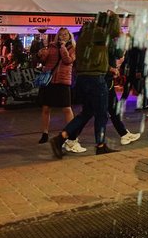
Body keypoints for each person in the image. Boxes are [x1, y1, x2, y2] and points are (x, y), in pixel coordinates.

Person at [49, 10, 121, 158]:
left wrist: (108, 68)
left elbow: (89, 58)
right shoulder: (100, 34)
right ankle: (100, 145)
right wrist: (114, 17)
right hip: (96, 80)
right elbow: (116, 37)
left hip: (82, 79)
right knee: (101, 113)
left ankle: (61, 138)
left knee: (87, 112)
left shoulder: (84, 35)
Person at [36, 28, 79, 149]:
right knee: (46, 108)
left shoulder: (72, 48)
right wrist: (41, 54)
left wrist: (63, 47)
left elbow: (68, 60)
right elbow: (44, 61)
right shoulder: (51, 46)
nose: (63, 36)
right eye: (61, 34)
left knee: (66, 108)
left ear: (69, 36)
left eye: (65, 34)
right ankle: (45, 133)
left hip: (63, 81)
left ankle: (72, 134)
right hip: (49, 81)